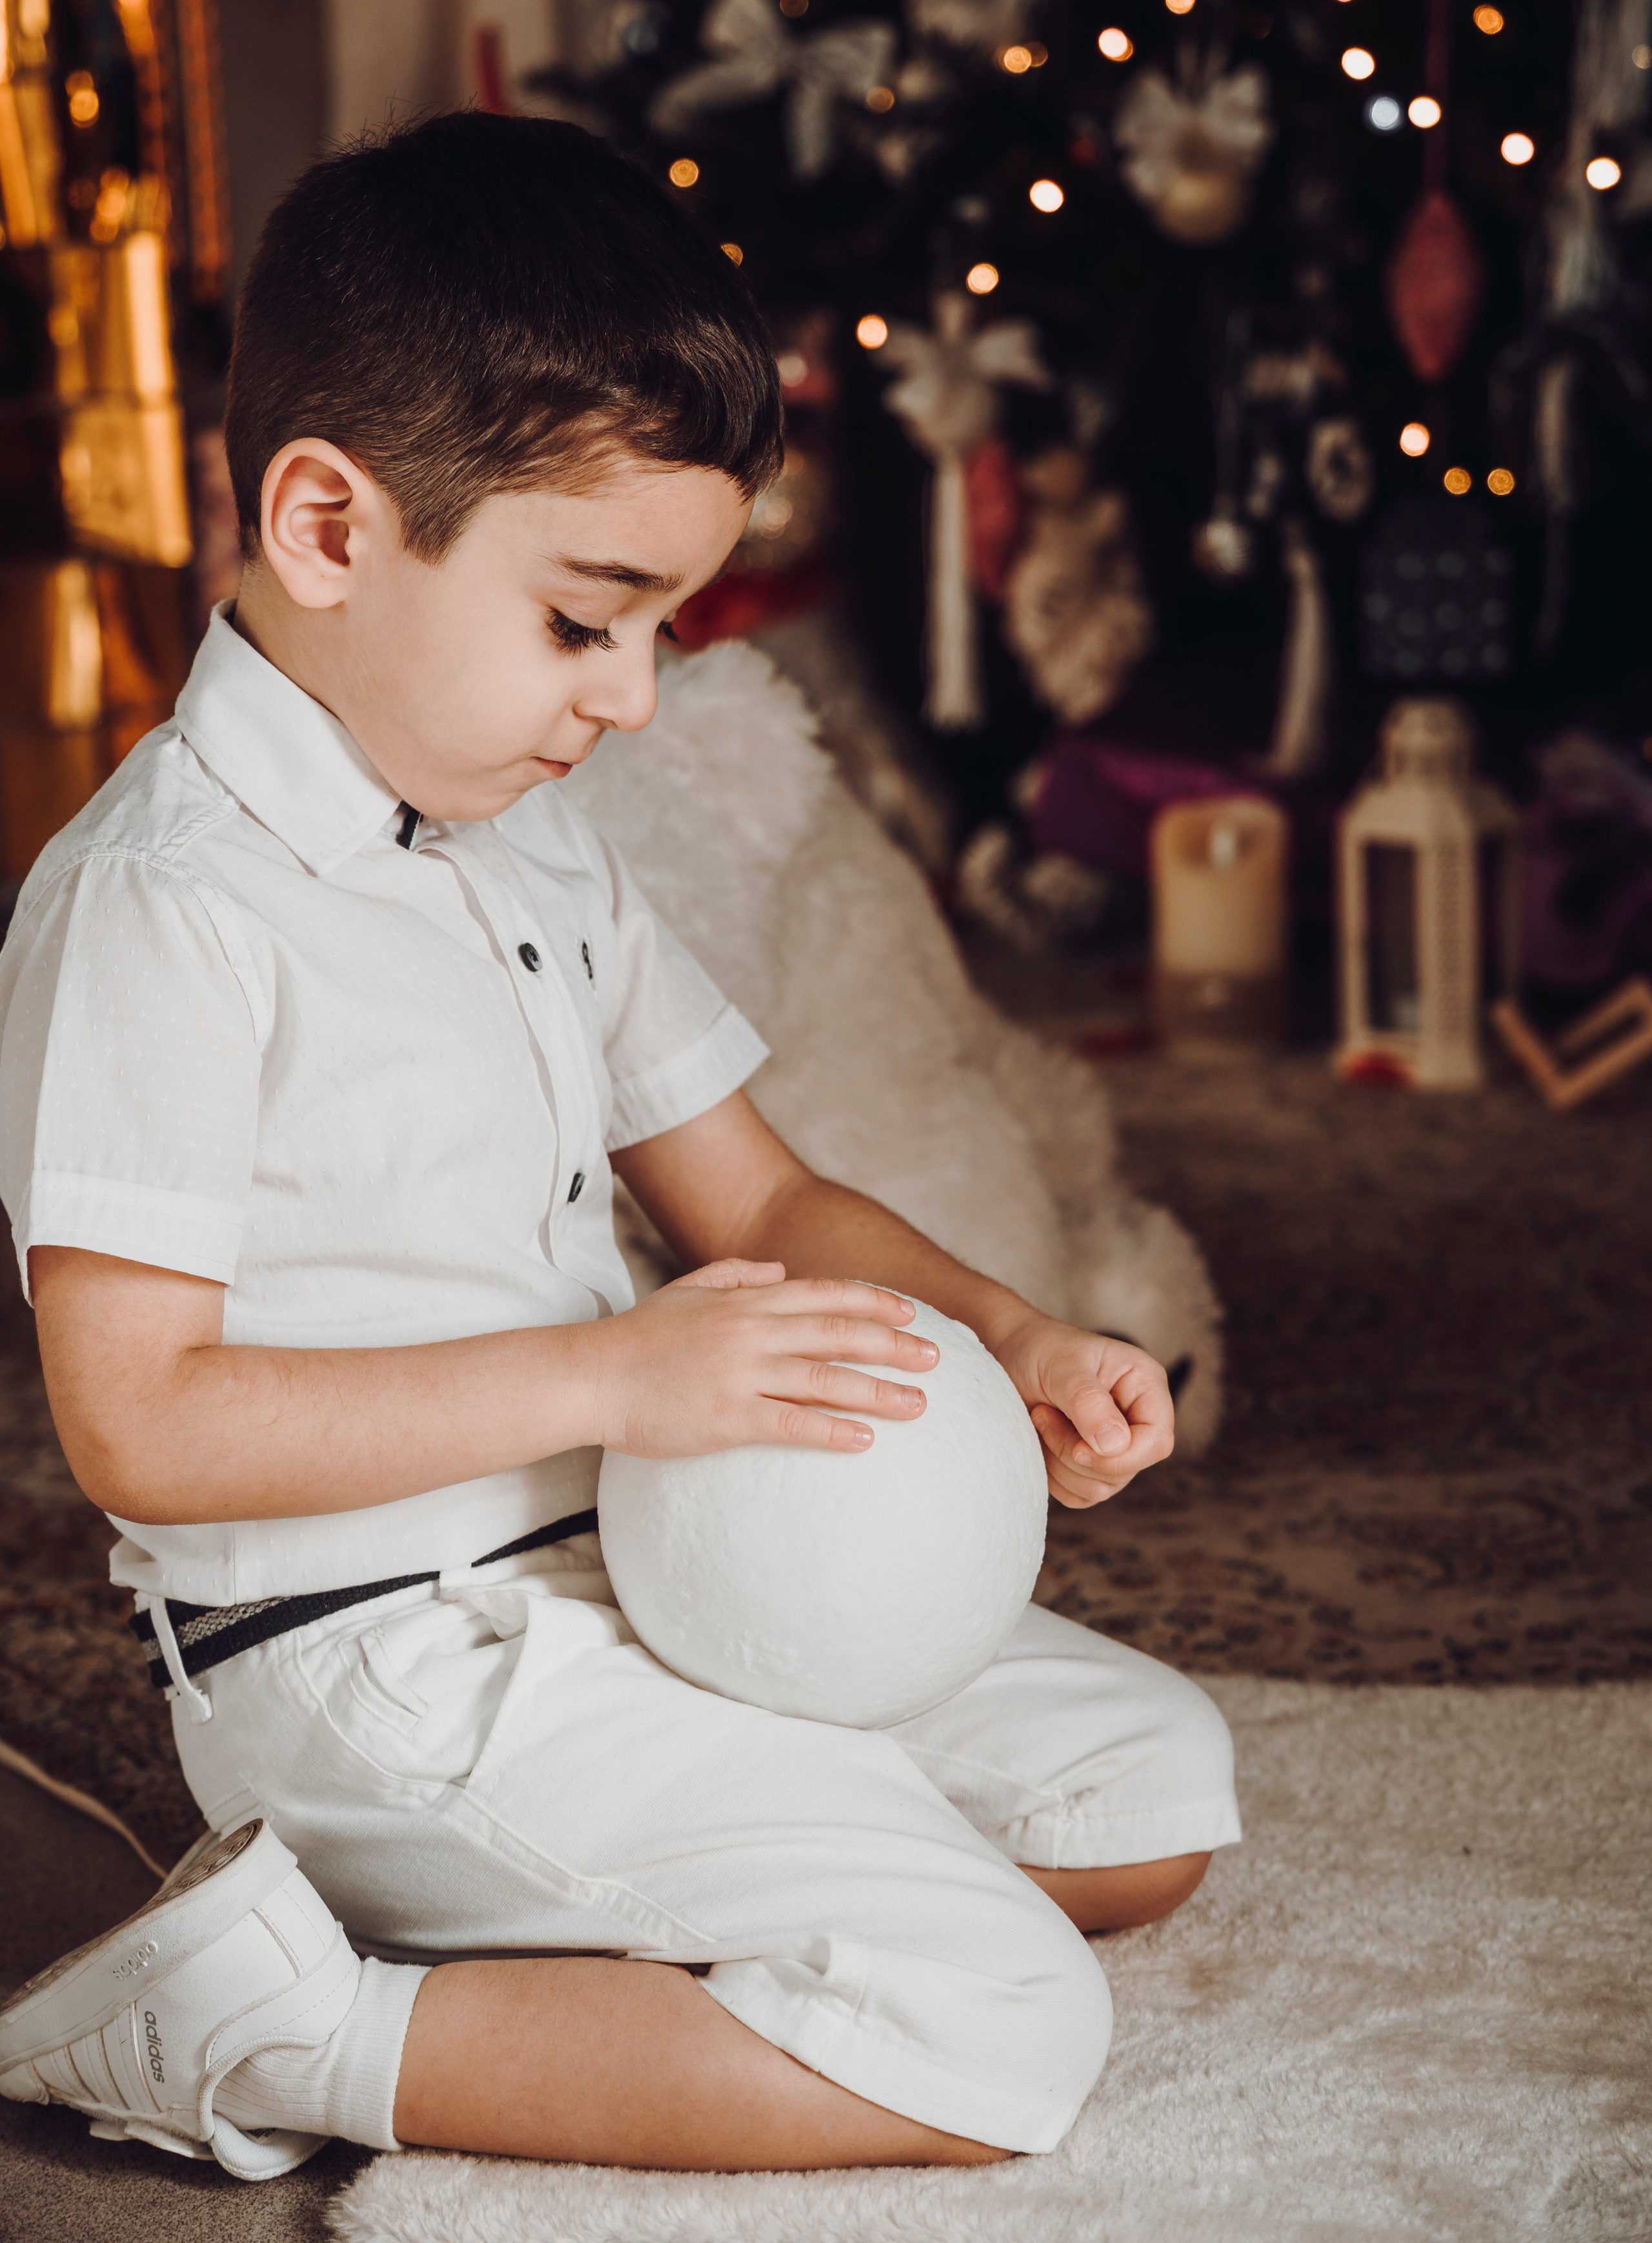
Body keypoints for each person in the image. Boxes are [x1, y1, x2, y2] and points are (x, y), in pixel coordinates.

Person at [0, 114, 1239, 2183]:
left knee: (1153, 1795)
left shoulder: (525, 831)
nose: (641, 698)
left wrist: (1012, 1336)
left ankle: (657, 1893)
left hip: (637, 1562)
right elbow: (140, 1426)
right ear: (325, 524)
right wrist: (614, 1376)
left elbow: (758, 1201)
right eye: (590, 620)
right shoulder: (158, 906)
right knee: (999, 2020)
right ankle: (275, 2027)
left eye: (668, 625)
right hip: (371, 1657)